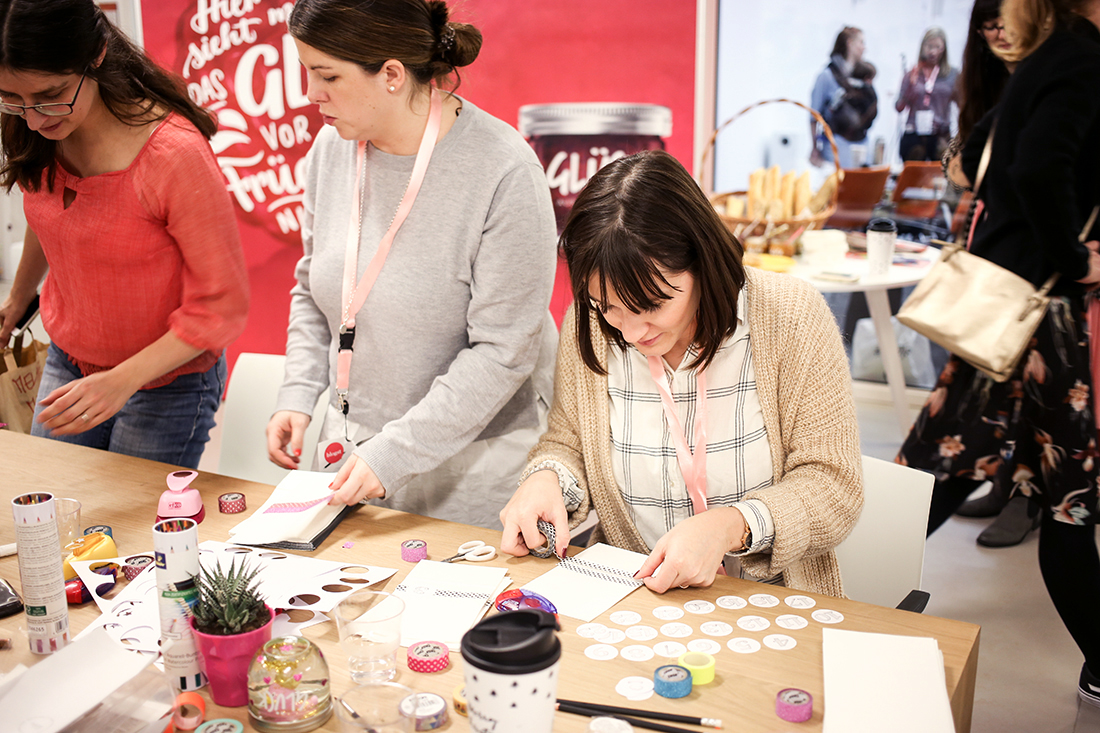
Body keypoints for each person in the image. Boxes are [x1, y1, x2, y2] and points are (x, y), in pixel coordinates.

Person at [499, 150, 863, 597]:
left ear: (702, 261)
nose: (632, 332)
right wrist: (548, 477)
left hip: (771, 602)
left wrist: (732, 526)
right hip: (635, 599)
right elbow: (568, 441)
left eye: (652, 305)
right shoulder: (591, 325)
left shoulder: (790, 316)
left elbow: (833, 485)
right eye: (609, 307)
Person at [267, 0, 557, 529]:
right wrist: (299, 393)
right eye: (306, 71)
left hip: (470, 469)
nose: (311, 93)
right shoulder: (331, 150)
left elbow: (503, 353)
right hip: (352, 453)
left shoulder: (504, 170)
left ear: (392, 75)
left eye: (327, 76)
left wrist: (391, 455)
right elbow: (315, 289)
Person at [896, 0, 1100, 705]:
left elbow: (971, 158)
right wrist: (1075, 258)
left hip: (1017, 306)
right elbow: (1036, 167)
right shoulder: (1080, 58)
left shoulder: (1053, 56)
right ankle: (829, 590)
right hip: (1036, 314)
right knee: (1040, 491)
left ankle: (835, 589)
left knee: (1001, 480)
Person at [0, 0, 249, 468]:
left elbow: (222, 307)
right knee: (52, 502)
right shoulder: (36, 121)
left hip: (167, 382)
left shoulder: (172, 154)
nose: (32, 119)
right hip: (68, 362)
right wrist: (18, 298)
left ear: (95, 55)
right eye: (11, 97)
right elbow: (48, 215)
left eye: (51, 95)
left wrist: (122, 380)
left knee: (131, 517)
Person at [941, 0, 1027, 547]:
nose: (1000, 32)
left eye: (1007, 21)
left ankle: (1023, 496)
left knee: (979, 410)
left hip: (1030, 273)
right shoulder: (990, 84)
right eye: (989, 24)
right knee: (977, 405)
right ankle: (1008, 487)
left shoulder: (1058, 73)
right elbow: (960, 165)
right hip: (991, 262)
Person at [810, 26, 874, 169]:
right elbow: (814, 116)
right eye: (861, 43)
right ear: (849, 43)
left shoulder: (864, 79)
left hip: (862, 144)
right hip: (837, 146)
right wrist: (815, 148)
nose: (864, 48)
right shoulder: (827, 76)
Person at [896, 27, 959, 162]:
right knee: (914, 167)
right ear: (923, 47)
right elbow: (899, 107)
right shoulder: (912, 74)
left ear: (944, 49)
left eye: (937, 47)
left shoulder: (952, 75)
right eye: (929, 46)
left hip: (941, 134)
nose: (933, 51)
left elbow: (962, 104)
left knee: (940, 170)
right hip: (914, 134)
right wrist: (910, 87)